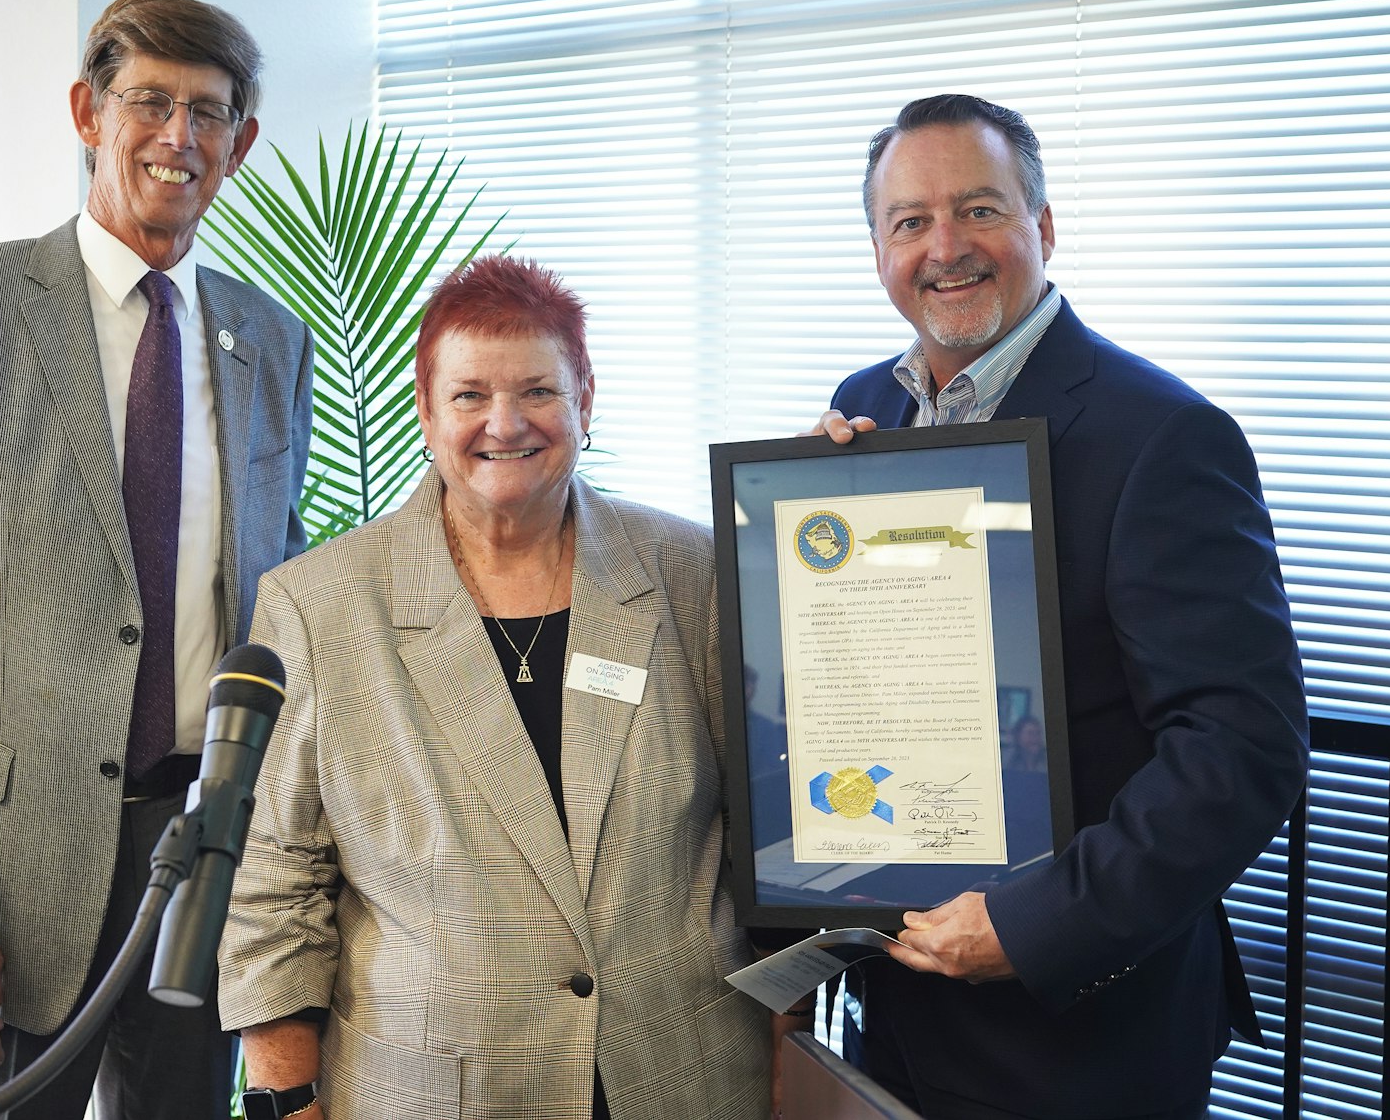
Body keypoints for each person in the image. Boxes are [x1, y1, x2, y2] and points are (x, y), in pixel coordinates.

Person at [0, 0, 314, 1119]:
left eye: (209, 113)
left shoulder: (267, 338)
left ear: (239, 144)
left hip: (203, 859)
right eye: (149, 102)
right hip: (3, 874)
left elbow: (279, 593)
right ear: (85, 113)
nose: (178, 139)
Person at [812, 95, 1308, 1120]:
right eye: (908, 221)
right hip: (897, 1001)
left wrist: (1030, 927)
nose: (943, 247)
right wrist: (804, 527)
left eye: (978, 209)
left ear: (1041, 227)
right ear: (876, 249)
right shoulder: (867, 406)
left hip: (1081, 1033)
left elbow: (1238, 751)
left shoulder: (1162, 435)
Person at [219, 255, 781, 1120]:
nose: (505, 423)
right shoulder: (320, 604)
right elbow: (275, 875)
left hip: (681, 1075)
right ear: (425, 408)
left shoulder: (693, 571)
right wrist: (285, 1095)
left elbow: (768, 826)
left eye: (538, 391)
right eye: (471, 394)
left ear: (585, 400)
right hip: (426, 1093)